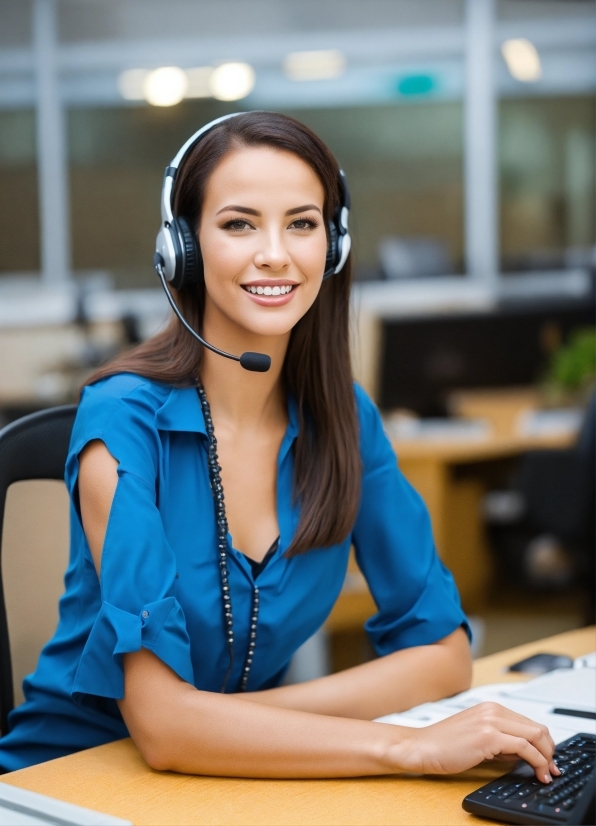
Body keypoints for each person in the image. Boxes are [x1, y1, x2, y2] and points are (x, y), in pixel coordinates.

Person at [0, 112, 558, 783]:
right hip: (70, 781)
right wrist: (404, 745)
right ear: (184, 245)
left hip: (240, 777)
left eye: (301, 222)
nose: (276, 253)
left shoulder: (344, 418)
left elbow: (442, 651)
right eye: (239, 224)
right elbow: (167, 728)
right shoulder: (123, 420)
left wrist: (249, 726)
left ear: (333, 245)